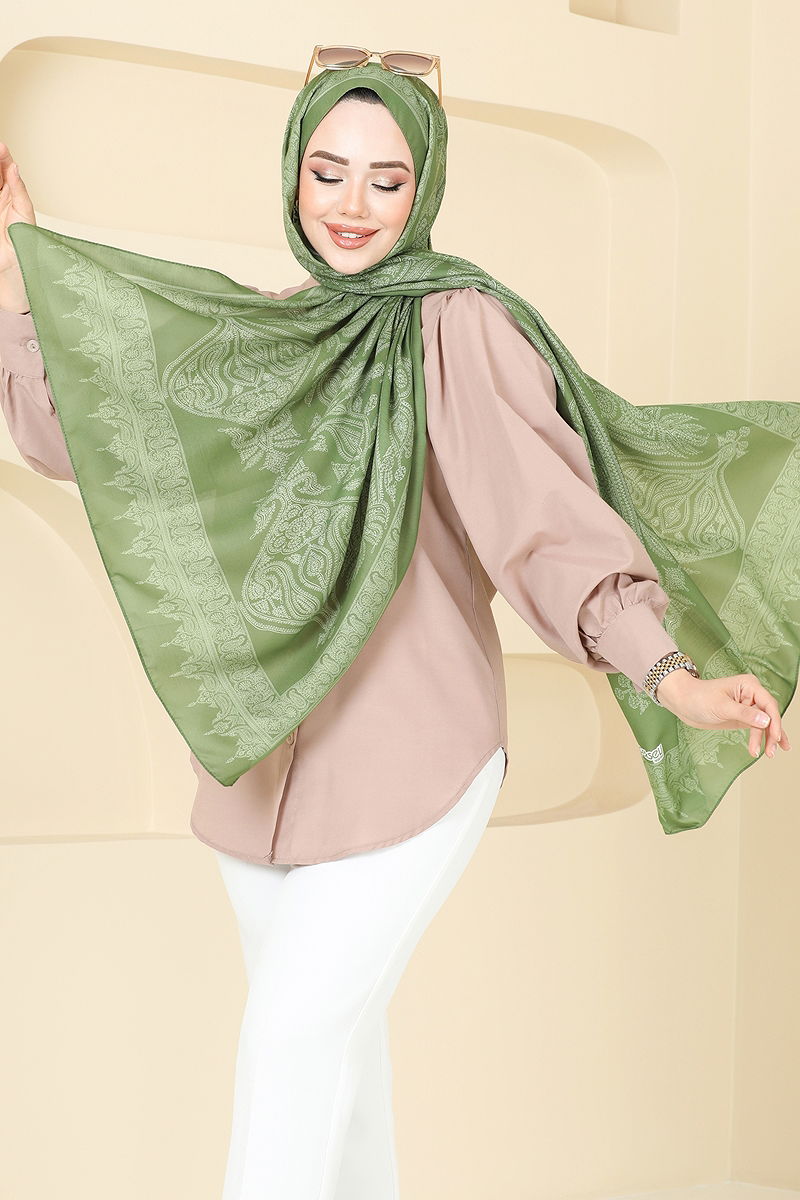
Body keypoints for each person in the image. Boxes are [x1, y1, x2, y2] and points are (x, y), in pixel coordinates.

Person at [0, 56, 792, 1200]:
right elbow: (87, 437)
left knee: (287, 1048)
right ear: (293, 173)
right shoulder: (268, 335)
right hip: (262, 766)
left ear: (424, 190)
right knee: (338, 1077)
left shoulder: (456, 325)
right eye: (328, 172)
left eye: (386, 180)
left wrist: (669, 675)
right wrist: (19, 274)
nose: (352, 206)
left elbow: (543, 521)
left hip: (411, 755)